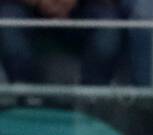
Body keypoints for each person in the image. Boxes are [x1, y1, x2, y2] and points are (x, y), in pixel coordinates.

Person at [0, 0, 134, 84]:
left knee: (107, 28)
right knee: (9, 25)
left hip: (84, 7)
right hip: (24, 6)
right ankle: (26, 99)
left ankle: (92, 101)